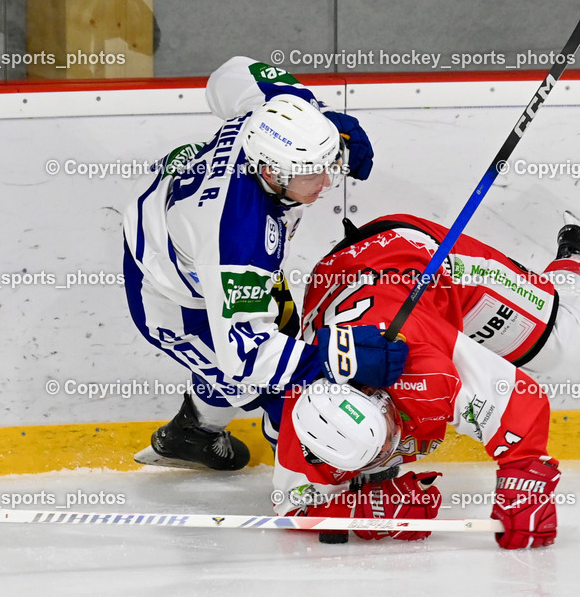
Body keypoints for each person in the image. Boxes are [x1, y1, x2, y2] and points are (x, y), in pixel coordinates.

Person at [272, 213, 580, 548]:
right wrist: (367, 507)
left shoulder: (421, 369)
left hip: (424, 261)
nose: (394, 451)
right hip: (339, 274)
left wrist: (526, 482)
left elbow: (521, 397)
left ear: (380, 397)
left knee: (560, 346)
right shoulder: (306, 422)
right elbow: (296, 507)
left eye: (388, 438)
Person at [123, 57, 409, 471]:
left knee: (286, 336)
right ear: (270, 172)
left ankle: (193, 433)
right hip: (175, 293)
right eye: (312, 172)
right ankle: (306, 480)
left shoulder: (275, 117)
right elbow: (249, 357)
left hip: (182, 218)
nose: (328, 182)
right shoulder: (238, 239)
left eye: (329, 163)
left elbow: (230, 72)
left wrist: (322, 120)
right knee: (277, 387)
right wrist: (336, 356)